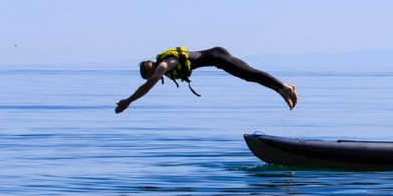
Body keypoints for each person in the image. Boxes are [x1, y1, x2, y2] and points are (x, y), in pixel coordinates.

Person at [115, 46, 297, 113]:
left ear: (151, 67)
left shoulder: (163, 65)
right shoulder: (163, 67)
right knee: (248, 77)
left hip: (218, 56)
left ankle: (284, 86)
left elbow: (147, 87)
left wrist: (128, 101)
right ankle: (283, 89)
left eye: (149, 76)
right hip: (217, 60)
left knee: (249, 73)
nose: (153, 79)